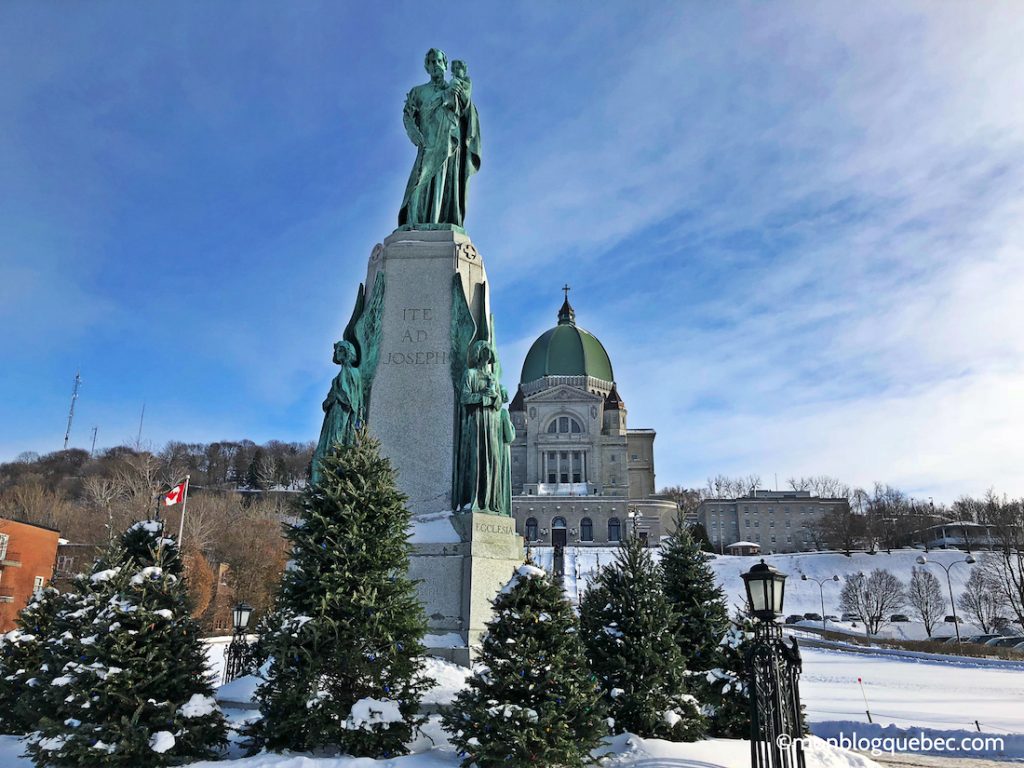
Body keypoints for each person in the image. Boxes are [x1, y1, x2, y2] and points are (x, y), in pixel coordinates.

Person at [398, 49, 480, 229]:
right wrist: (412, 131)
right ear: (427, 67)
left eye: (439, 62)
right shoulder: (418, 92)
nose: (436, 65)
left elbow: (467, 111)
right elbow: (408, 114)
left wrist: (460, 94)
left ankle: (438, 221)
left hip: (450, 141)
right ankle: (414, 223)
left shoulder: (456, 86)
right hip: (428, 142)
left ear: (445, 64)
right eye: (432, 62)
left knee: (446, 182)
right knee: (418, 182)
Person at [311, 340, 363, 485]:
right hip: (332, 418)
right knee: (321, 455)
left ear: (347, 352)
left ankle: (327, 487)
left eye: (340, 350)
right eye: (336, 350)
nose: (336, 353)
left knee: (328, 454)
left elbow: (350, 400)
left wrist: (334, 397)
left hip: (342, 419)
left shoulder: (352, 372)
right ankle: (318, 492)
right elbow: (327, 401)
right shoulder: (338, 377)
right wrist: (329, 401)